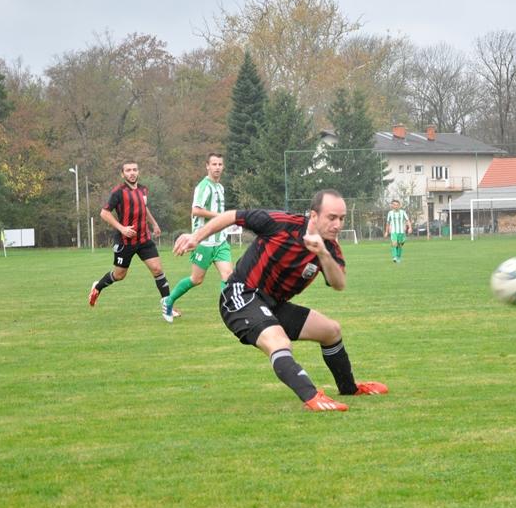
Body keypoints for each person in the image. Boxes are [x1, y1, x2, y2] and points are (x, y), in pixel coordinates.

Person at [172, 189, 387, 412]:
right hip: (241, 295)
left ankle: (349, 388)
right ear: (314, 215)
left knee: (331, 331)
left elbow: (338, 284)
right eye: (332, 217)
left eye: (341, 219)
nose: (337, 225)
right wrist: (195, 237)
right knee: (279, 342)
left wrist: (323, 254)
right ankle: (312, 397)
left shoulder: (330, 248)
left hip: (274, 304)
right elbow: (231, 216)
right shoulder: (281, 223)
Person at [89, 161, 175, 314]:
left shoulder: (143, 190)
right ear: (123, 174)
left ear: (138, 172)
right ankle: (98, 286)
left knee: (157, 269)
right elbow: (104, 213)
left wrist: (154, 224)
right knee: (119, 275)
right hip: (125, 242)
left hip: (144, 239)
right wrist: (122, 228)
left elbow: (144, 208)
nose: (132, 173)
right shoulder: (118, 192)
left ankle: (168, 307)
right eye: (128, 170)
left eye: (134, 169)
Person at [161, 153, 232, 323]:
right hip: (204, 242)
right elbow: (196, 210)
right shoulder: (203, 186)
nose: (217, 167)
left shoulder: (220, 187)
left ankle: (228, 310)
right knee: (196, 279)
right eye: (214, 164)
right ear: (207, 166)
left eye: (220, 164)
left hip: (220, 241)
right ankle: (168, 301)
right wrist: (219, 217)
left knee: (229, 275)